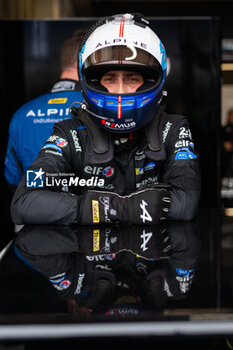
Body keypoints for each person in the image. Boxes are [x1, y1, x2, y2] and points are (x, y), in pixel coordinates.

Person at [11, 13, 201, 226]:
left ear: (152, 81)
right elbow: (25, 202)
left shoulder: (172, 128)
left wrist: (89, 207)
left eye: (132, 79)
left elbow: (186, 202)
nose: (120, 90)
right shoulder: (70, 132)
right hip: (87, 254)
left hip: (153, 253)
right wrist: (119, 208)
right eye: (109, 79)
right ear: (91, 81)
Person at [4, 29, 86, 191]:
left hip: (36, 211)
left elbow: (13, 179)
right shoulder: (99, 107)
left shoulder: (22, 114)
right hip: (91, 211)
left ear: (64, 60)